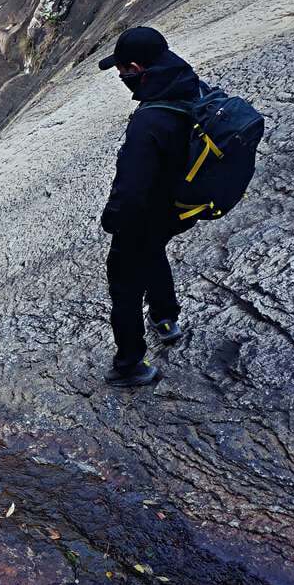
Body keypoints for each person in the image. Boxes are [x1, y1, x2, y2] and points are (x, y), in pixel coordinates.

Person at [98, 26, 199, 387]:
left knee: (124, 285)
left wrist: (113, 220)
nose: (122, 77)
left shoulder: (148, 121)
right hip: (177, 204)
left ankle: (130, 365)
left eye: (123, 70)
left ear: (138, 68)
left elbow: (132, 186)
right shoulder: (187, 84)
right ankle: (166, 318)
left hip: (147, 209)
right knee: (153, 251)